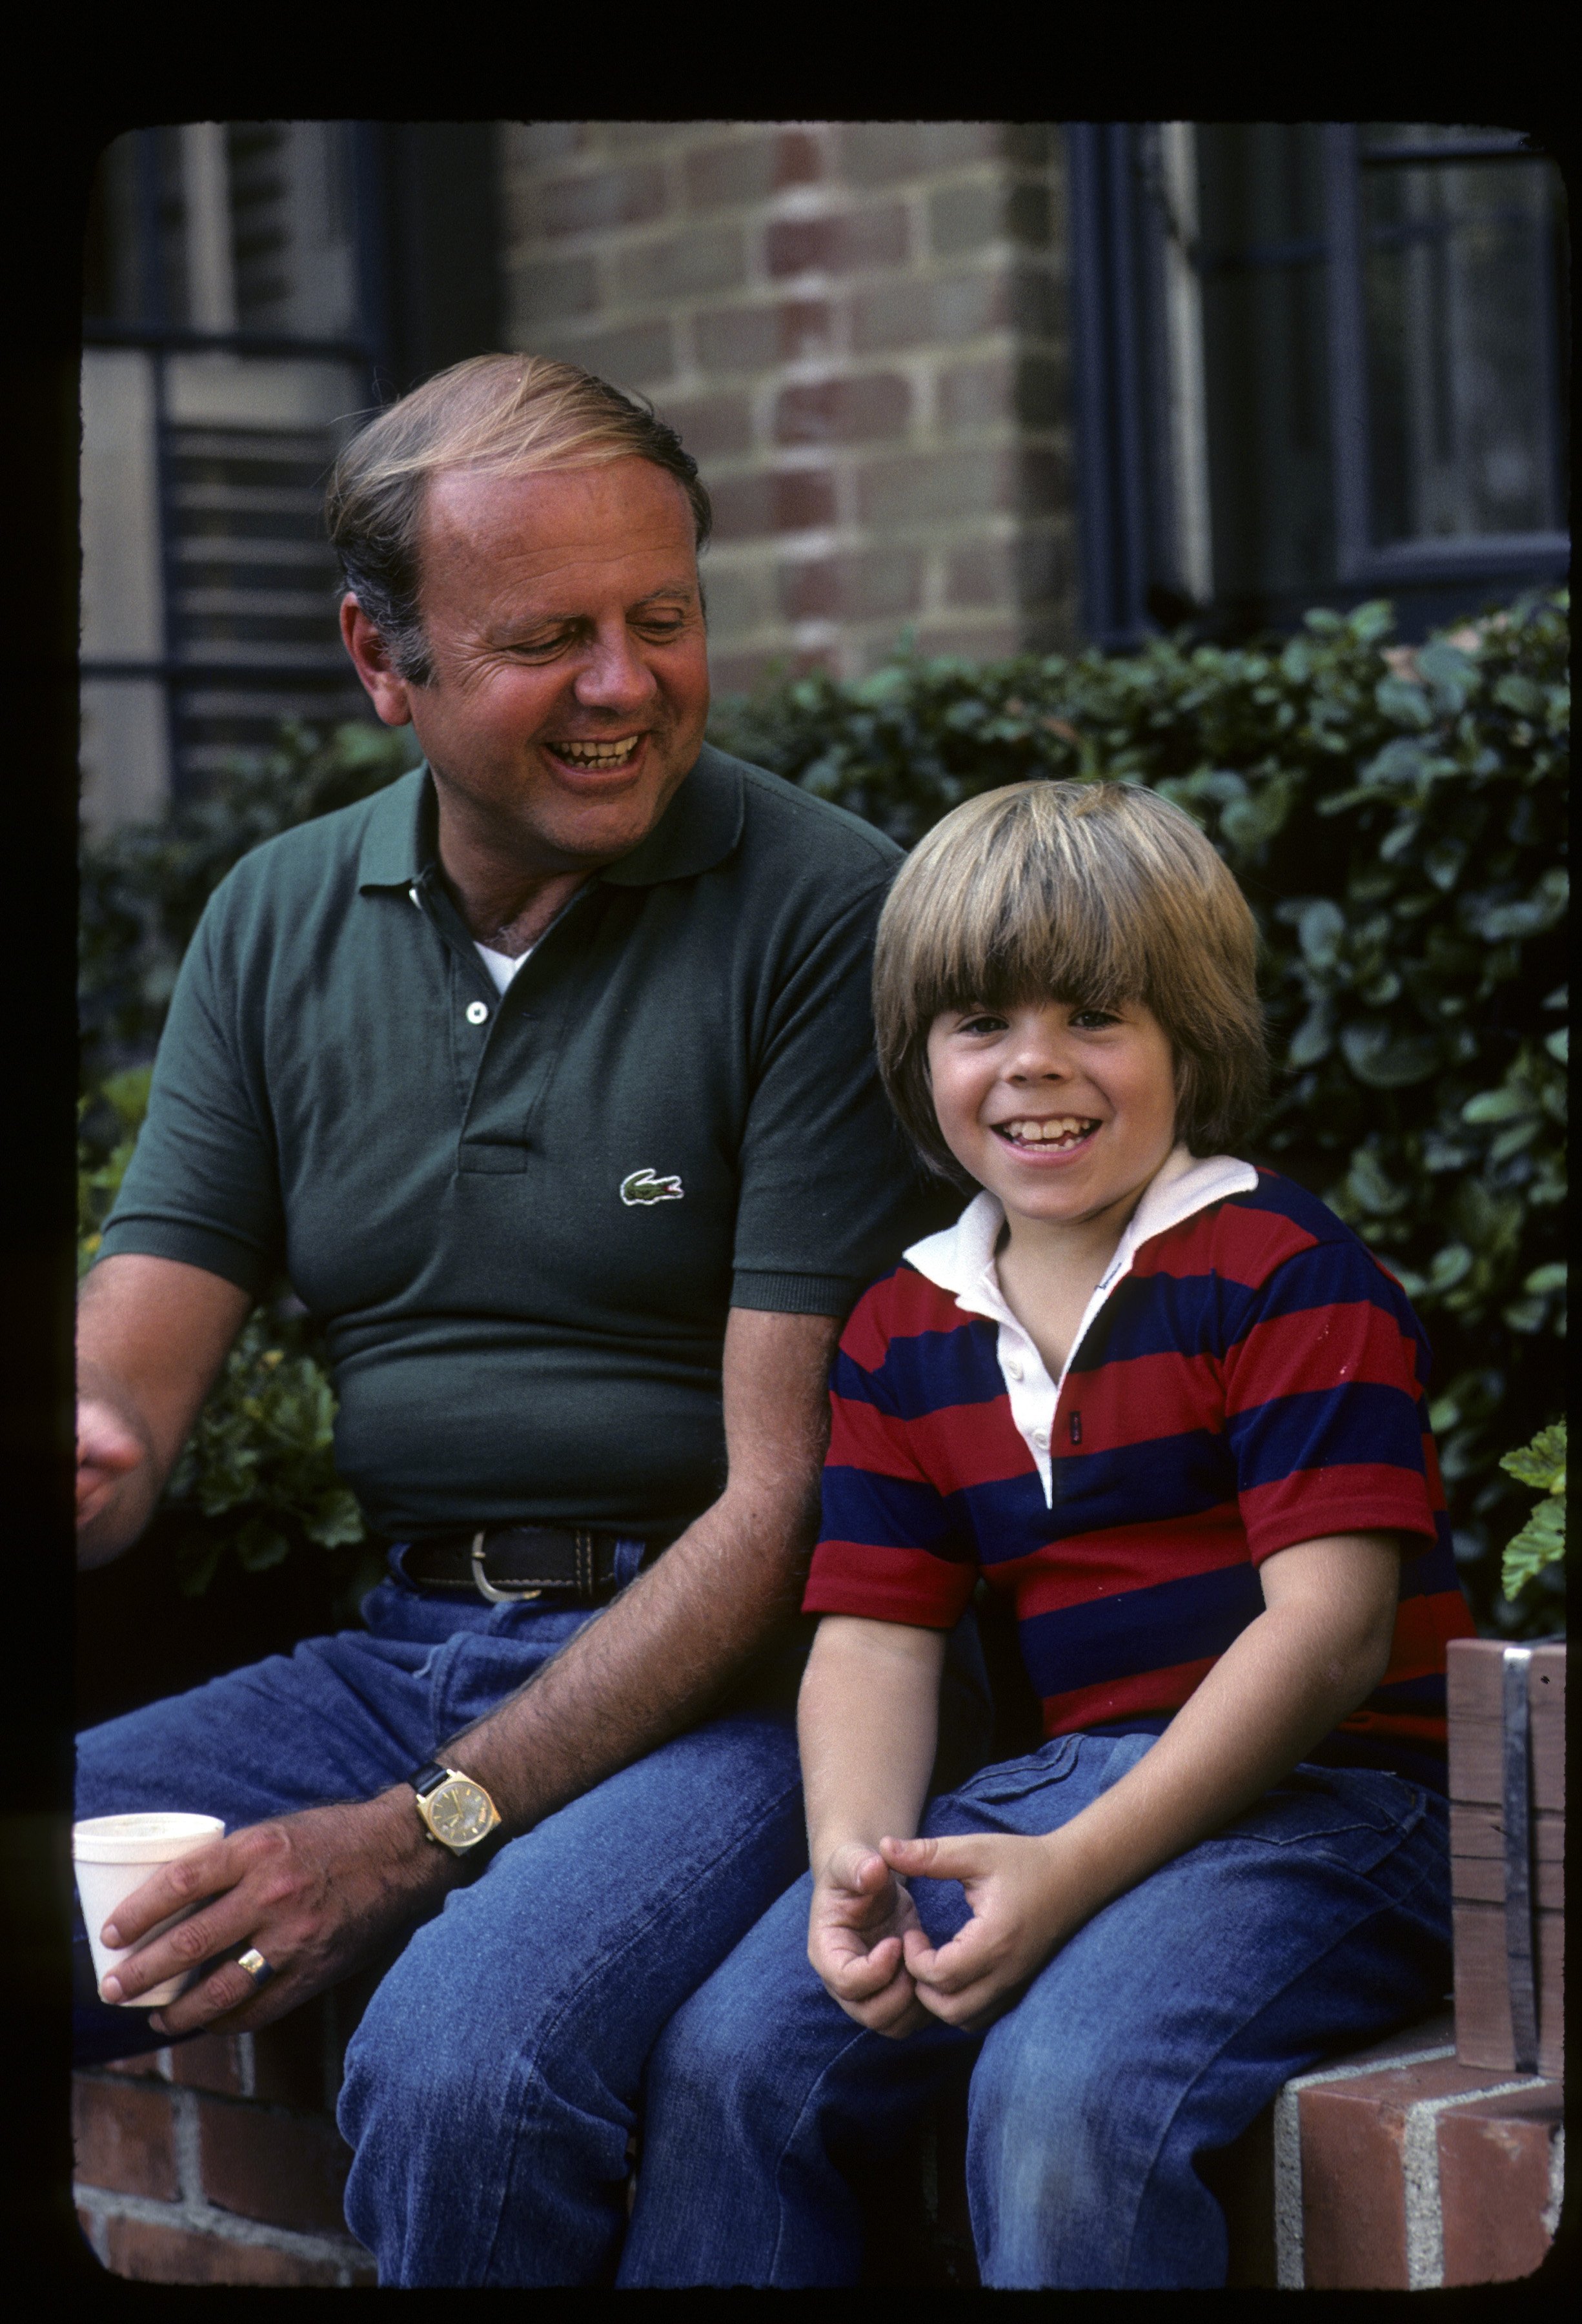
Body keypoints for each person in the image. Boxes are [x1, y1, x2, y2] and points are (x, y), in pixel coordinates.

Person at [72, 354, 969, 2287]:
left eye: (664, 619)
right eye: (547, 638)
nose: (627, 683)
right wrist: (92, 1456)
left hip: (738, 1690)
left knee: (466, 2073)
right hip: (398, 1646)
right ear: (378, 662)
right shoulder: (275, 919)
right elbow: (121, 1397)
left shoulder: (826, 917)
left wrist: (419, 1830)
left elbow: (782, 1499)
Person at [618, 779, 1476, 2290]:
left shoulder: (1281, 1271)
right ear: (915, 1056)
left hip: (1339, 1805)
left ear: (1188, 1038)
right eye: (977, 1025)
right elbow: (875, 1632)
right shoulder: (904, 1323)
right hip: (1067, 1791)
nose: (1034, 1069)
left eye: (1094, 1016)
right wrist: (852, 1865)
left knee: (1065, 2090)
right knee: (737, 2057)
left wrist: (1071, 1871)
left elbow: (1329, 1634)